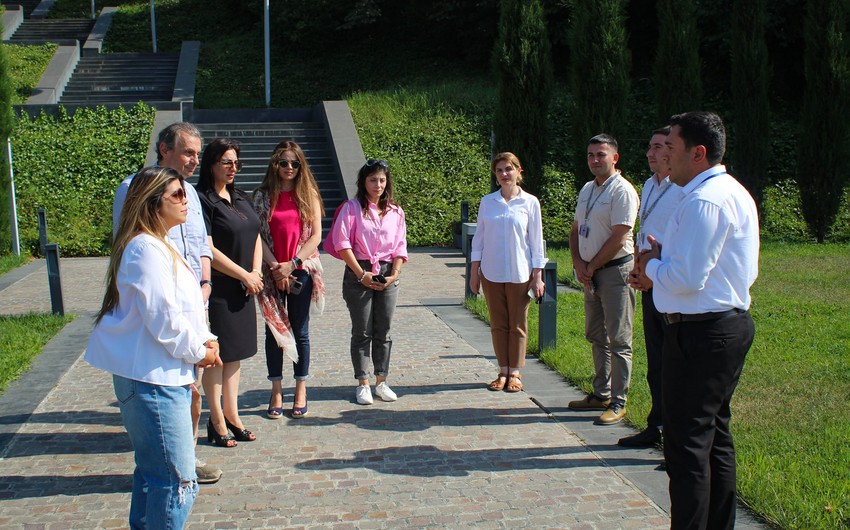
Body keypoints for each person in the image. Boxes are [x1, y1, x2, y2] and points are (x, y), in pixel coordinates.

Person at [636, 111, 758, 529]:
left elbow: (687, 278)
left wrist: (650, 267)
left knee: (687, 448)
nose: (664, 156)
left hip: (703, 332)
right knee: (713, 439)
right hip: (718, 327)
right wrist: (662, 255)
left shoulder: (706, 199)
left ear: (698, 153)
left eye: (671, 147)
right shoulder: (720, 191)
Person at [87, 167, 221, 529]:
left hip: (159, 375)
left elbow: (178, 310)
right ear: (151, 203)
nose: (186, 200)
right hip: (152, 380)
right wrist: (199, 350)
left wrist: (206, 338)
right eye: (176, 194)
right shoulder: (146, 248)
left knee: (152, 476)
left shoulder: (157, 244)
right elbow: (164, 318)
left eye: (185, 192)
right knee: (176, 481)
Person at [112, 122, 221, 483]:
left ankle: (186, 455)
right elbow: (130, 243)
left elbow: (202, 243)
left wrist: (205, 283)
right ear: (164, 149)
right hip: (163, 306)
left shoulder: (188, 191)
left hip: (195, 300)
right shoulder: (136, 189)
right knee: (170, 387)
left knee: (193, 389)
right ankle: (169, 465)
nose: (194, 161)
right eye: (188, 152)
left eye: (197, 154)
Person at [567, 133, 639, 426]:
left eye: (601, 155)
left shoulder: (622, 191)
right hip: (590, 272)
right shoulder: (588, 188)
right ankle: (600, 393)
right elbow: (575, 228)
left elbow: (620, 234)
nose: (595, 160)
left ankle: (619, 401)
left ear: (615, 158)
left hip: (613, 272)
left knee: (619, 339)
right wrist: (577, 262)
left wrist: (592, 265)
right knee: (596, 335)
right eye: (591, 155)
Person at [618, 127, 683, 448]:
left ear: (673, 152)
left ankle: (676, 437)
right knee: (656, 359)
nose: (650, 153)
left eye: (658, 147)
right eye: (649, 146)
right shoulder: (649, 185)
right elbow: (645, 232)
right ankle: (655, 425)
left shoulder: (683, 189)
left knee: (675, 363)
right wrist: (637, 267)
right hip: (648, 280)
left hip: (670, 283)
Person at [197, 138, 262, 446]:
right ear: (211, 164)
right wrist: (243, 274)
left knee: (235, 354)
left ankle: (232, 413)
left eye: (237, 162)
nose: (233, 168)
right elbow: (207, 248)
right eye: (227, 162)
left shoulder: (240, 196)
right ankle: (216, 418)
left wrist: (256, 273)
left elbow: (256, 234)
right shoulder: (203, 200)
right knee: (217, 357)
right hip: (220, 287)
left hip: (244, 286)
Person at [253, 140, 325, 419]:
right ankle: (276, 390)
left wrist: (292, 265)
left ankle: (301, 388)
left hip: (301, 270)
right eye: (284, 162)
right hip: (271, 271)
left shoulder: (309, 194)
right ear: (275, 164)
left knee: (300, 330)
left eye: (295, 163)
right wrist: (275, 267)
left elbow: (316, 237)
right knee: (274, 332)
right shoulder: (261, 196)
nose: (289, 168)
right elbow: (257, 234)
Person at [329, 158, 408, 405]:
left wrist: (394, 274)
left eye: (382, 180)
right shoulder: (351, 208)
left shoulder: (395, 211)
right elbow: (342, 244)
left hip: (387, 271)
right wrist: (360, 274)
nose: (378, 184)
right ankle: (363, 382)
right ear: (363, 182)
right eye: (373, 179)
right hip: (358, 270)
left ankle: (381, 381)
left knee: (383, 330)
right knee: (362, 330)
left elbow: (400, 246)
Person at [469, 152, 547, 393]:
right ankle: (502, 370)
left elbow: (536, 241)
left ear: (518, 171)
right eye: (500, 171)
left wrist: (538, 275)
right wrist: (474, 272)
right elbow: (479, 239)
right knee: (498, 324)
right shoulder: (487, 202)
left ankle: (516, 372)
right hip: (491, 272)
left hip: (520, 272)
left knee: (518, 324)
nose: (504, 174)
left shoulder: (530, 202)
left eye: (508, 169)